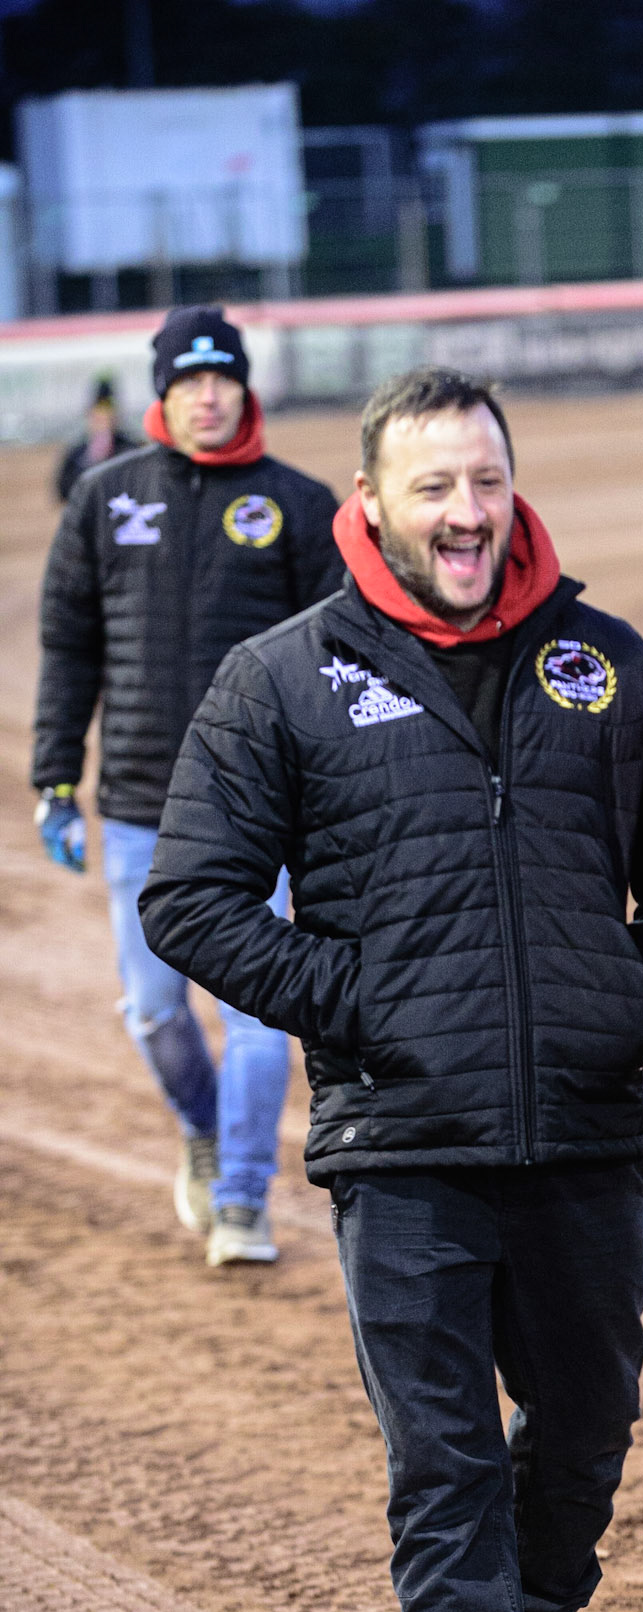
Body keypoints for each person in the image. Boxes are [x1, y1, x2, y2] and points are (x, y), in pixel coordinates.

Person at [139, 366, 643, 1612]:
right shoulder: (281, 677)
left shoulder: (601, 665)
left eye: (485, 481)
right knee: (442, 1459)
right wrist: (361, 1008)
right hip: (399, 1141)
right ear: (373, 504)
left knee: (588, 1427)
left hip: (584, 1129)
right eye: (433, 489)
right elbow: (190, 898)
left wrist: (632, 1005)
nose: (466, 514)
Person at [32, 306, 343, 1265]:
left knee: (256, 1018)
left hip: (261, 814)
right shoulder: (103, 497)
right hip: (135, 808)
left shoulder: (298, 504)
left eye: (224, 377)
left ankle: (243, 1200)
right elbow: (69, 644)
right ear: (162, 391)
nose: (208, 395)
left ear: (246, 387)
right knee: (155, 1010)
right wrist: (53, 776)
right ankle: (203, 1136)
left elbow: (339, 663)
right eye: (189, 379)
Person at [54, 375, 139, 502]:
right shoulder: (77, 453)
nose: (103, 416)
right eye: (98, 410)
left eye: (107, 410)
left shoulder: (131, 450)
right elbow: (63, 490)